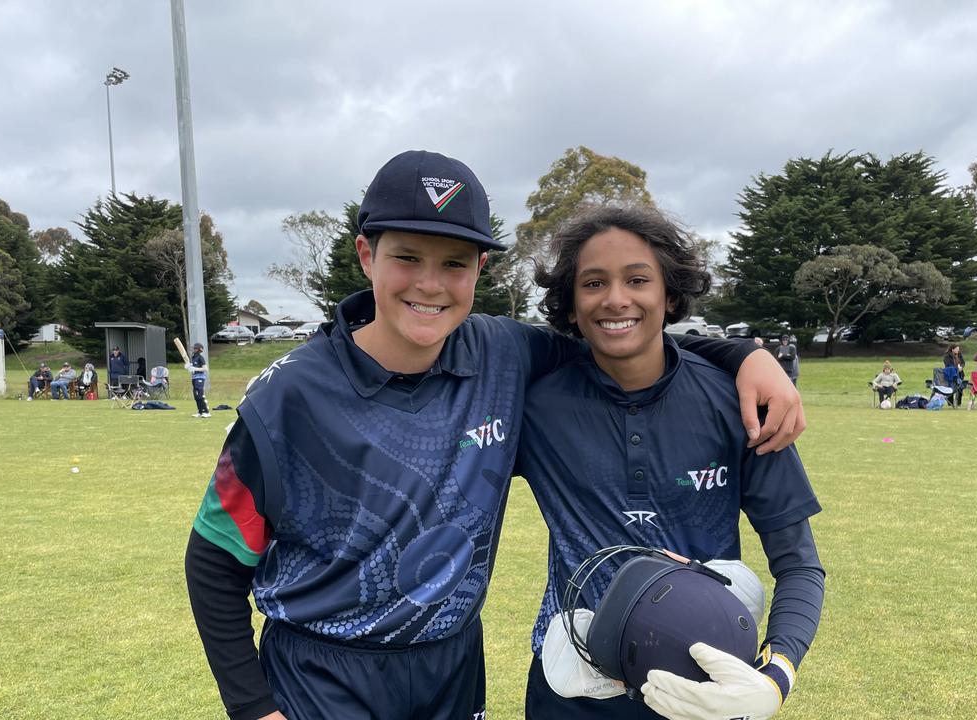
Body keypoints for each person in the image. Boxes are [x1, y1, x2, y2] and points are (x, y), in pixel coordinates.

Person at [183, 151, 806, 720]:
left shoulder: (504, 353)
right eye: (406, 257)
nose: (430, 283)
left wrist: (745, 356)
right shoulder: (286, 396)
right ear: (366, 255)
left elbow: (623, 334)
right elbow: (214, 559)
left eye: (454, 264)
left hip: (452, 667)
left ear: (479, 268)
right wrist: (252, 708)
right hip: (321, 674)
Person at [517, 205, 823, 720]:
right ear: (570, 305)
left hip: (704, 691)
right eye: (593, 283)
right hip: (570, 689)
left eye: (638, 279)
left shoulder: (739, 402)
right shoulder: (534, 404)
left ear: (671, 296)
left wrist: (774, 677)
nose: (616, 299)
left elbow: (799, 564)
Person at [187, 343, 210, 418]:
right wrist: (188, 367)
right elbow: (191, 367)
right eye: (194, 348)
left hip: (200, 378)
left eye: (195, 348)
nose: (194, 350)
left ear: (199, 349)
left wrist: (195, 369)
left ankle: (206, 412)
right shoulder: (193, 357)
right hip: (194, 378)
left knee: (200, 395)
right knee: (196, 396)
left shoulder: (200, 357)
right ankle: (200, 411)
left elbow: (205, 369)